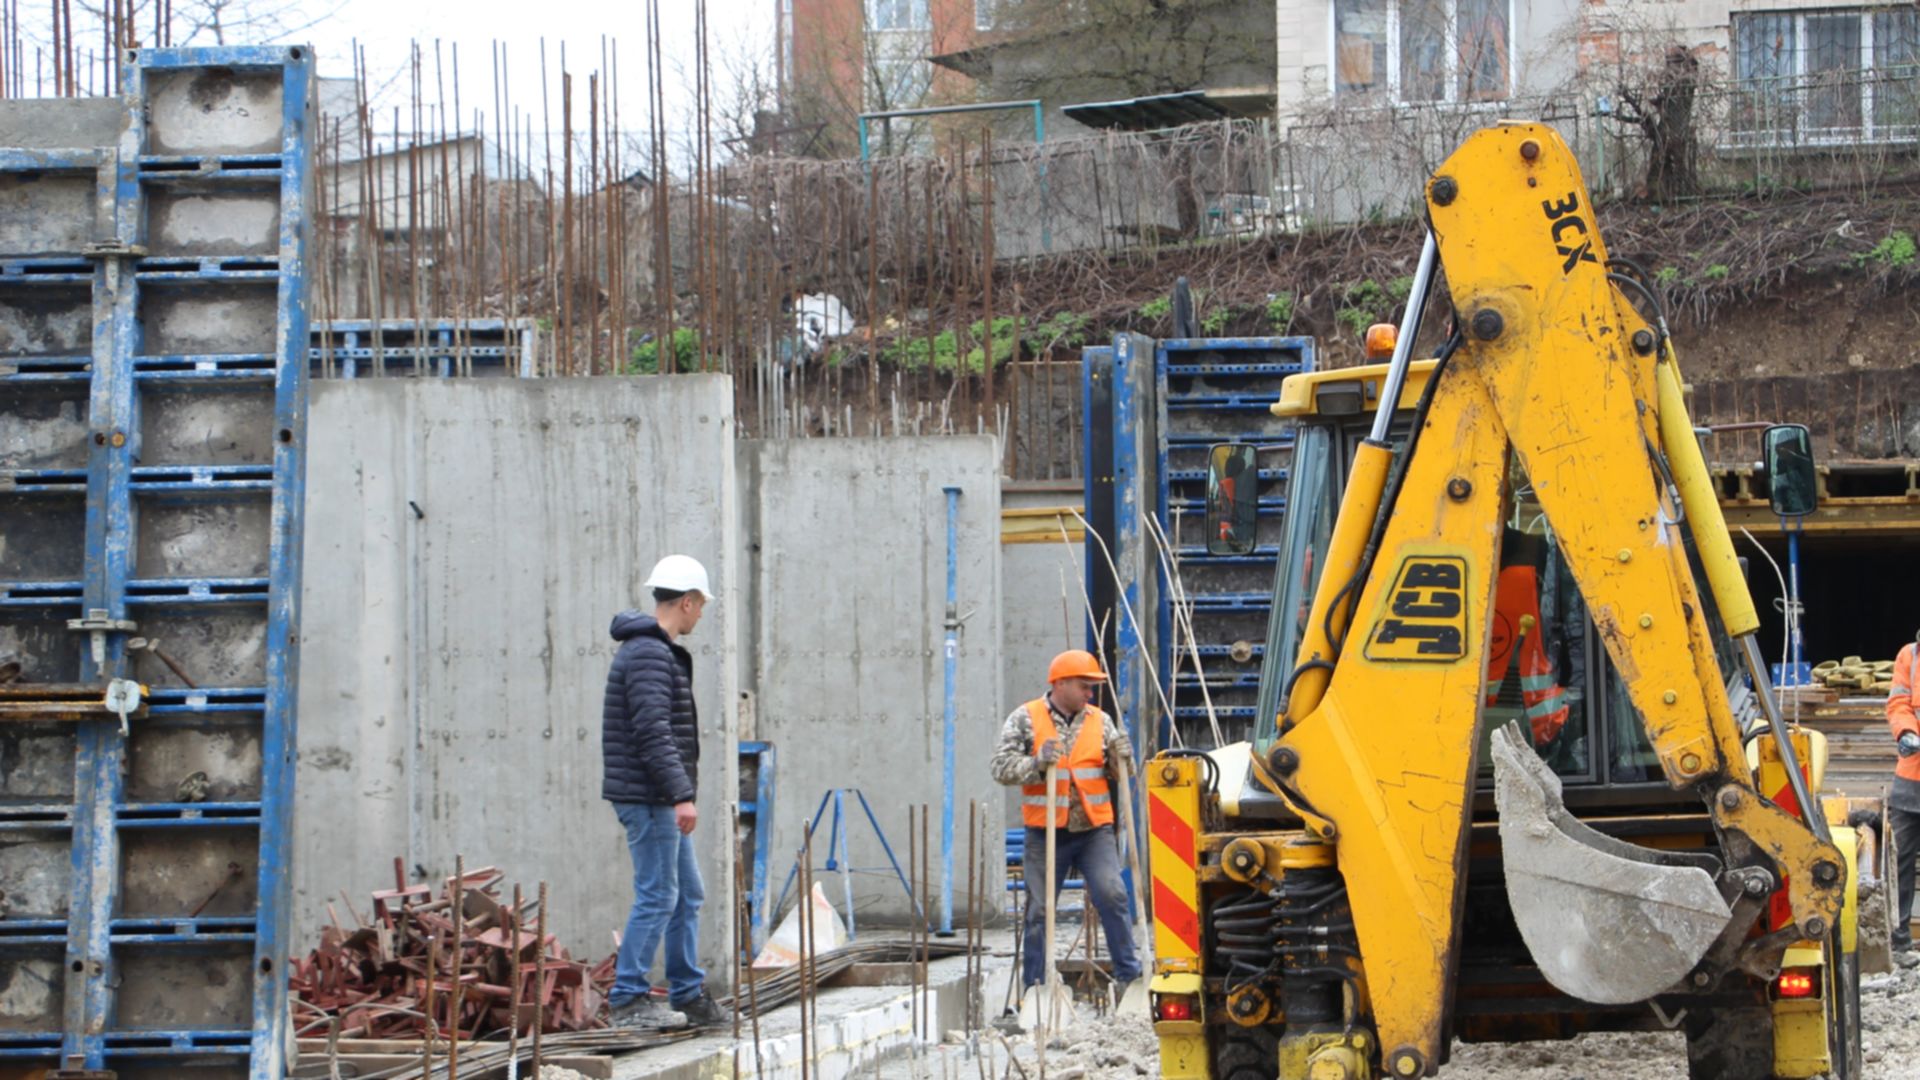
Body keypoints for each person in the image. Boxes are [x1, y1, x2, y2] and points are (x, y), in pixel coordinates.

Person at [601, 555, 728, 1029]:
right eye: (701, 606)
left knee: (687, 893)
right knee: (658, 894)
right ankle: (628, 999)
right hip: (648, 795)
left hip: (654, 793)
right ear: (688, 602)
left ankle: (688, 994)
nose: (702, 614)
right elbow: (653, 731)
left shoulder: (653, 651)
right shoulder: (650, 653)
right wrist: (681, 794)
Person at [991, 649, 1143, 999]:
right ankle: (1035, 988)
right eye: (1084, 686)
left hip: (1093, 831)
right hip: (1045, 833)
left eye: (1091, 688)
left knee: (1112, 893)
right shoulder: (1025, 719)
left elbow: (1122, 773)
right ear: (1059, 683)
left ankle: (1128, 978)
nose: (1090, 694)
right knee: (1038, 910)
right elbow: (999, 767)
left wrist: (1123, 758)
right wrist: (1036, 763)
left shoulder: (1099, 720)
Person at [1888, 630, 1920, 951]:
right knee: (1899, 863)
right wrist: (1905, 732)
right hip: (1910, 784)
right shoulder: (1909, 655)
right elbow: (1898, 702)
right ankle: (1899, 941)